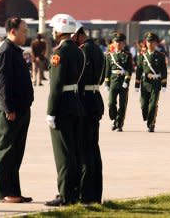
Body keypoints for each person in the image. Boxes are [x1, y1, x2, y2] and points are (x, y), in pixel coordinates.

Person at [44, 14, 86, 208]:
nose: (53, 32)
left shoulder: (60, 52)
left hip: (62, 107)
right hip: (75, 103)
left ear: (59, 31)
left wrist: (50, 111)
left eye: (54, 29)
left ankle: (65, 194)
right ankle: (74, 191)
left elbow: (56, 85)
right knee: (74, 151)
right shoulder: (78, 51)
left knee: (63, 154)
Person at [0, 17, 34, 204]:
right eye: (24, 31)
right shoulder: (5, 51)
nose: (26, 34)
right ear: (13, 31)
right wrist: (8, 107)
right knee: (6, 151)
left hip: (21, 110)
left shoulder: (15, 51)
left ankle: (15, 191)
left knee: (16, 152)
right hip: (10, 111)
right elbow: (1, 83)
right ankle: (3, 192)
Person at [78, 25, 104, 204]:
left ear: (79, 35)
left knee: (85, 150)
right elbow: (102, 78)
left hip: (85, 102)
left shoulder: (83, 52)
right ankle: (96, 192)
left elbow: (79, 79)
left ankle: (86, 194)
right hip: (96, 99)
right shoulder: (99, 51)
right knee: (94, 149)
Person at [135, 32, 168, 132]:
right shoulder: (142, 56)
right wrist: (136, 84)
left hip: (156, 82)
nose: (150, 43)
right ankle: (147, 117)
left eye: (152, 42)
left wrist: (164, 84)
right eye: (148, 41)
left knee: (153, 104)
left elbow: (164, 70)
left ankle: (151, 124)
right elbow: (139, 70)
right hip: (145, 82)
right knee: (143, 104)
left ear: (156, 43)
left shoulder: (161, 56)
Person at [104, 33, 132, 132]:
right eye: (116, 42)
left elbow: (129, 69)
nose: (118, 44)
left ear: (124, 43)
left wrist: (126, 81)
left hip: (123, 82)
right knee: (111, 103)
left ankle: (119, 124)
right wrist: (106, 83)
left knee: (122, 104)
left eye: (120, 42)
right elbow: (107, 70)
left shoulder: (128, 55)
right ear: (113, 43)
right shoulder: (109, 55)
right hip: (113, 81)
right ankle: (115, 119)